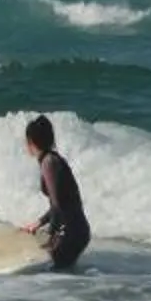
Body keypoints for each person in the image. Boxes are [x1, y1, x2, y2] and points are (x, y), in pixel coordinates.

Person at [23, 114, 92, 273]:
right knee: (62, 278)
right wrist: (39, 223)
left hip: (70, 233)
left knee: (52, 277)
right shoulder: (53, 160)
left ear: (31, 142)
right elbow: (61, 202)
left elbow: (57, 204)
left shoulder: (49, 163)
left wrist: (50, 234)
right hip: (76, 231)